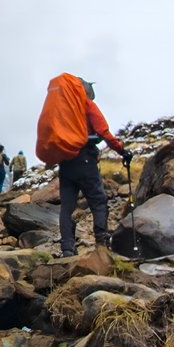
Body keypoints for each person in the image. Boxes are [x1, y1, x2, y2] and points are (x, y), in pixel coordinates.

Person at [52, 78, 129, 257]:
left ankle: (67, 248)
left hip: (65, 163)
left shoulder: (60, 110)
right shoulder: (87, 105)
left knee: (67, 207)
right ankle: (102, 244)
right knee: (98, 201)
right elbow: (104, 132)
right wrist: (122, 151)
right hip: (85, 159)